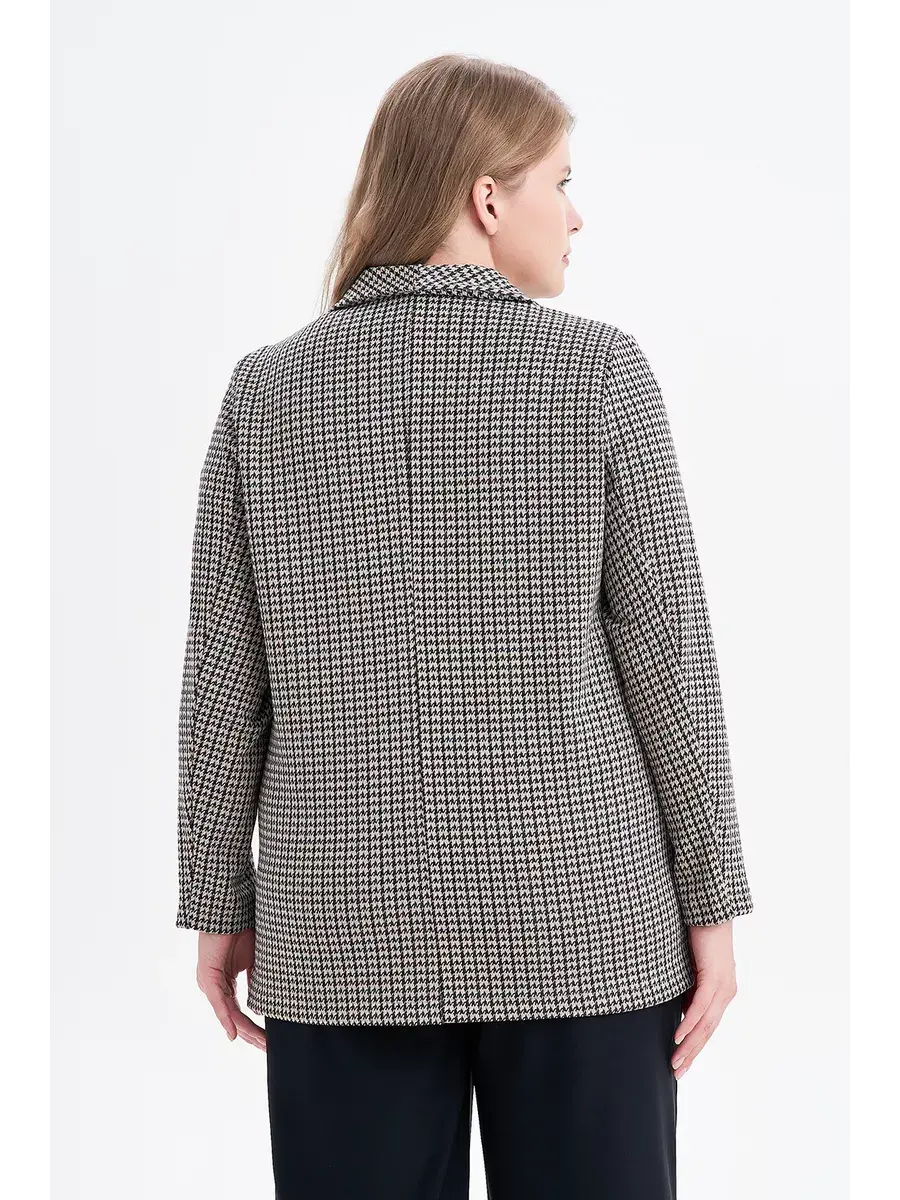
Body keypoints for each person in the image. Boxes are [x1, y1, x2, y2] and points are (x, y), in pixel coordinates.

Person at [175, 53, 754, 1199]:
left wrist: (216, 903)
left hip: (341, 929)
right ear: (488, 198)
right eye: (561, 181)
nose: (576, 215)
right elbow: (670, 666)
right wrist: (713, 901)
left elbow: (224, 682)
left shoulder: (267, 392)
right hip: (584, 920)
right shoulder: (599, 373)